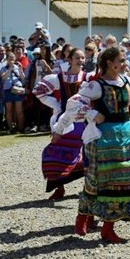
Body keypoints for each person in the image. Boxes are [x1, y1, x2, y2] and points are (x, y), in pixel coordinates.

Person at [54, 46, 130, 243]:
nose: (125, 64)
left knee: (122, 180)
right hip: (103, 137)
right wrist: (89, 114)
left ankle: (108, 227)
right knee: (97, 179)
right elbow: (73, 104)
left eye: (125, 60)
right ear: (109, 63)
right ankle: (83, 215)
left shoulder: (126, 81)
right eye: (122, 61)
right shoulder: (96, 85)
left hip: (125, 134)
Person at [34, 47, 88, 200]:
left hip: (83, 122)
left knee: (86, 153)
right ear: (69, 60)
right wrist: (56, 105)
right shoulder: (58, 77)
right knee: (55, 152)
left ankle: (89, 187)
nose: (81, 61)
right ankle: (59, 187)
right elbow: (38, 91)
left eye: (83, 58)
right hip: (64, 123)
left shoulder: (87, 77)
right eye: (77, 58)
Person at [0, 52, 26, 133]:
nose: (12, 60)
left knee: (19, 110)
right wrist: (10, 69)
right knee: (9, 110)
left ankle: (20, 128)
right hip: (8, 90)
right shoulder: (3, 68)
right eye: (10, 58)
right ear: (7, 59)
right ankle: (10, 128)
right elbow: (3, 78)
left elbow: (23, 79)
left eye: (13, 58)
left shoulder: (18, 67)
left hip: (18, 89)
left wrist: (20, 69)